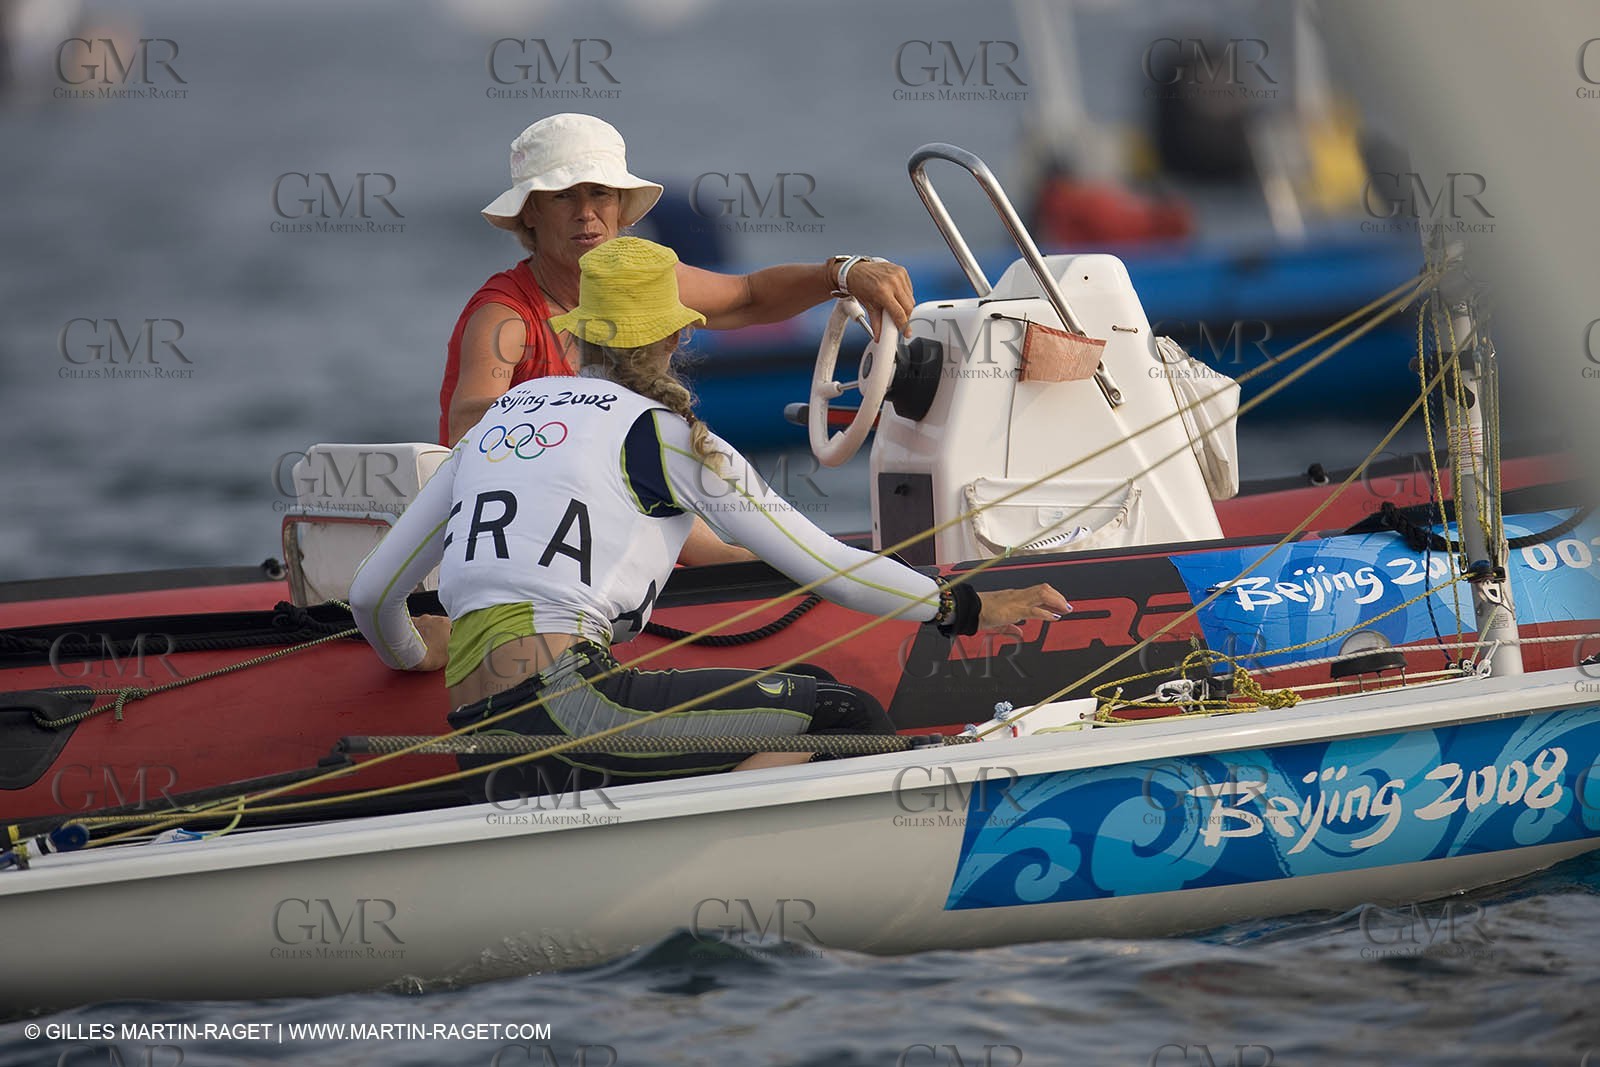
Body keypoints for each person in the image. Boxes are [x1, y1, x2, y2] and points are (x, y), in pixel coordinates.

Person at [357, 238, 1068, 802]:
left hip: (479, 745)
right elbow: (827, 568)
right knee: (840, 713)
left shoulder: (496, 424)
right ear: (676, 337)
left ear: (580, 339)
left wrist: (416, 651)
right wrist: (964, 604)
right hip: (573, 713)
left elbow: (370, 594)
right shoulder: (667, 438)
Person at [440, 113, 917, 566]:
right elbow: (468, 427)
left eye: (600, 194)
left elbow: (748, 297)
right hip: (526, 542)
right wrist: (581, 421)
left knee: (713, 526)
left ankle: (755, 558)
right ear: (530, 215)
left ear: (620, 206)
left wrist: (842, 272)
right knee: (729, 543)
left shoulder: (641, 277)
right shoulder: (505, 316)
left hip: (612, 520)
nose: (586, 214)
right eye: (564, 197)